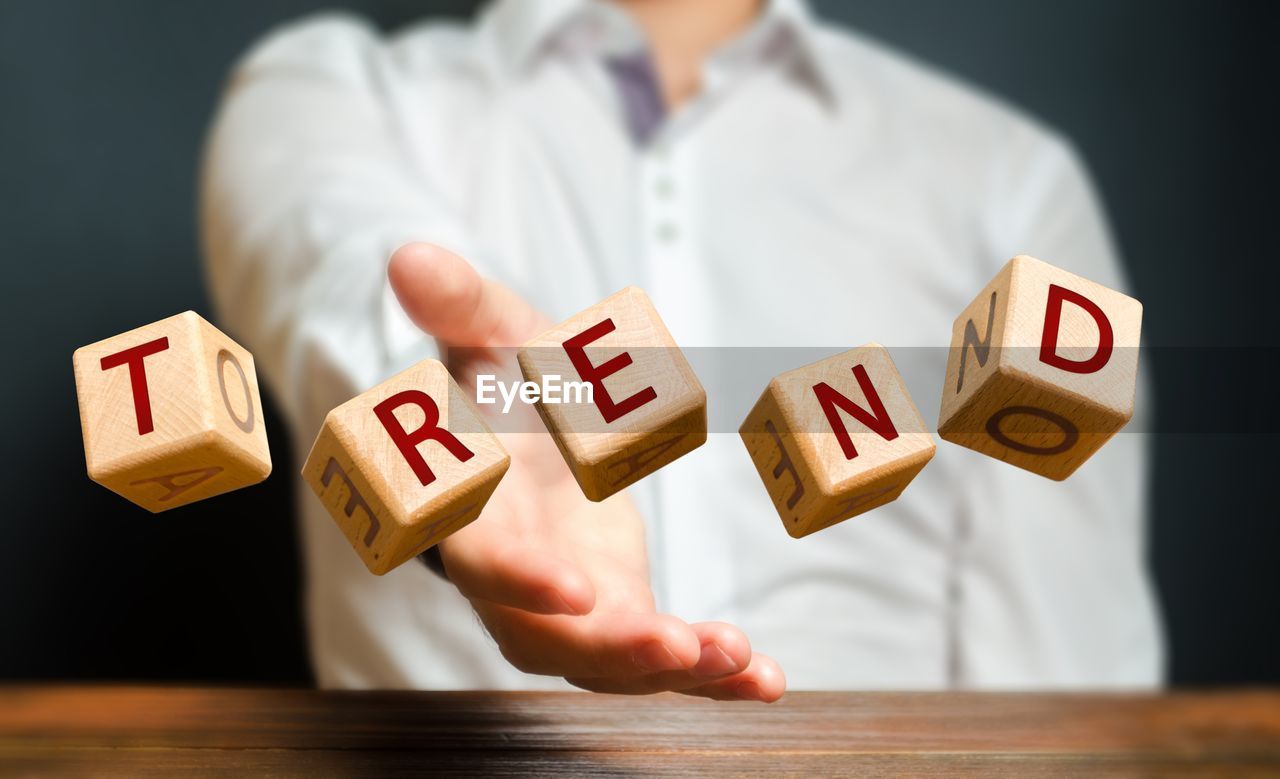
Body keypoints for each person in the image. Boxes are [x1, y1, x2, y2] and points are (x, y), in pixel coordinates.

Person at [201, 0, 1160, 699]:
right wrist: (468, 410)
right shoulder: (325, 91)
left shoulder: (1015, 181)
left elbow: (1065, 663)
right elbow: (334, 262)